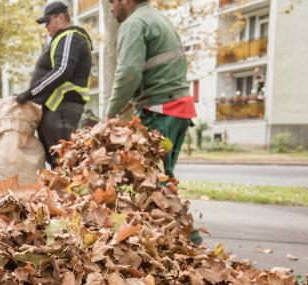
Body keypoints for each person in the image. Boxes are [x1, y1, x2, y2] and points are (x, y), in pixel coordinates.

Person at [105, 0, 196, 183]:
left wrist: (111, 112)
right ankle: (169, 211)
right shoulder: (158, 18)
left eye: (112, 1)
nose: (111, 8)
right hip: (179, 109)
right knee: (161, 178)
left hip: (160, 112)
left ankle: (163, 211)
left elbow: (128, 72)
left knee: (151, 183)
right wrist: (133, 99)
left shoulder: (133, 24)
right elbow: (160, 68)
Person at [16, 1, 92, 167]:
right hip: (55, 108)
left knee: (65, 162)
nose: (46, 27)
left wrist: (29, 93)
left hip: (62, 108)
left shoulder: (70, 36)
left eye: (47, 22)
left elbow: (62, 70)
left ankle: (72, 193)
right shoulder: (62, 39)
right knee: (58, 163)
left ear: (59, 17)